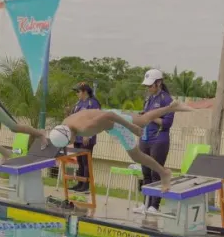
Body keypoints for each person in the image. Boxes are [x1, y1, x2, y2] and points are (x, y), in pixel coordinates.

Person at [47, 100, 193, 192]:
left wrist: (130, 128)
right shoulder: (66, 122)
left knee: (136, 155)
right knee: (143, 119)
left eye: (68, 141)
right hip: (111, 119)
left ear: (68, 136)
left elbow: (109, 115)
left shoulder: (85, 127)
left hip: (116, 124)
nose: (71, 142)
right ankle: (171, 107)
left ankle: (163, 173)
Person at [135, 69, 175, 214]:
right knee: (145, 173)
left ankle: (154, 206)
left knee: (155, 173)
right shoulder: (149, 99)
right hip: (145, 138)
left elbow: (167, 124)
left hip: (159, 140)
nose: (148, 88)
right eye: (147, 86)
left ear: (159, 83)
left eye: (151, 85)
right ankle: (145, 203)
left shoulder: (167, 100)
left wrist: (150, 116)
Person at [67, 82, 101, 192]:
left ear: (85, 91)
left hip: (86, 137)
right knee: (80, 162)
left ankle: (86, 186)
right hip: (77, 136)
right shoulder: (79, 103)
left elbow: (96, 120)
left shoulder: (93, 103)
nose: (76, 93)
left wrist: (88, 134)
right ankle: (80, 183)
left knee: (86, 162)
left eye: (78, 91)